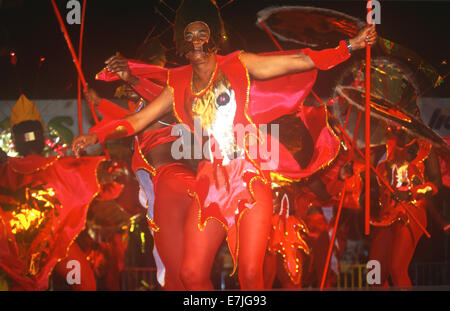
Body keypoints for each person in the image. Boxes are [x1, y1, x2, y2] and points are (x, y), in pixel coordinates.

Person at [72, 20, 376, 289]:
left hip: (248, 177)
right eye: (188, 35)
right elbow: (137, 120)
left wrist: (350, 45)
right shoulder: (177, 83)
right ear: (181, 43)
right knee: (191, 274)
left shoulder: (239, 63)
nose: (195, 40)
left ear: (214, 37)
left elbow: (297, 59)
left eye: (201, 33)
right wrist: (96, 134)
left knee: (251, 275)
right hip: (209, 183)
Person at [0, 94, 123, 290]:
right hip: (56, 243)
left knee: (25, 285)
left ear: (16, 141)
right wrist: (112, 172)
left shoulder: (6, 172)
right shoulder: (60, 168)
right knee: (85, 284)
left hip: (24, 249)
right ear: (41, 138)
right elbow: (107, 187)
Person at [84, 84, 196, 290]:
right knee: (164, 246)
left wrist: (98, 132)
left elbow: (129, 122)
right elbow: (123, 119)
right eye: (125, 87)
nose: (128, 89)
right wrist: (99, 102)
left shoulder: (161, 106)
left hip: (170, 180)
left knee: (171, 249)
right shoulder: (138, 110)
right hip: (153, 184)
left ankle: (175, 282)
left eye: (133, 84)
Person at [368, 124, 442, 287]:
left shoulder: (424, 148)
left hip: (411, 212)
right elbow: (362, 166)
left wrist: (411, 194)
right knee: (374, 273)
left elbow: (437, 183)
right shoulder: (383, 145)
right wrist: (345, 173)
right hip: (386, 215)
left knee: (396, 268)